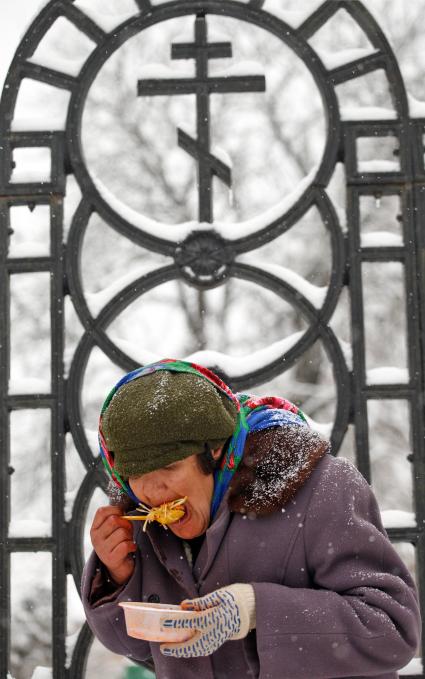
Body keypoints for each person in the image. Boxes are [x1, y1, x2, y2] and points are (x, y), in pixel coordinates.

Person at [81, 359, 421, 679]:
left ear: (213, 449)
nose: (153, 491)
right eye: (136, 475)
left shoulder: (321, 487)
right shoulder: (140, 518)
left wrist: (254, 609)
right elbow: (137, 648)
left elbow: (392, 628)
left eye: (169, 467)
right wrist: (117, 577)